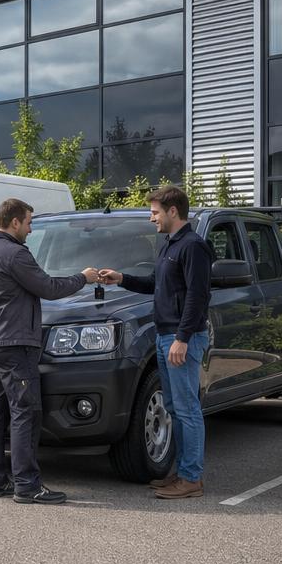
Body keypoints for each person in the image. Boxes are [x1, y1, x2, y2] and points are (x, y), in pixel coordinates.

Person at [0, 198, 98, 504]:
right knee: (24, 414)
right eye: (28, 222)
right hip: (16, 345)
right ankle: (27, 485)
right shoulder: (15, 254)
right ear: (14, 222)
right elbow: (49, 288)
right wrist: (84, 277)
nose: (30, 228)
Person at [98, 185, 212, 499]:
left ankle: (192, 479)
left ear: (172, 211)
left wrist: (182, 339)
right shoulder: (169, 246)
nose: (152, 219)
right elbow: (155, 285)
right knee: (175, 407)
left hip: (179, 339)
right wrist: (121, 278)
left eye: (155, 212)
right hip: (165, 337)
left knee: (188, 409)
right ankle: (183, 473)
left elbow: (197, 298)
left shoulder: (193, 247)